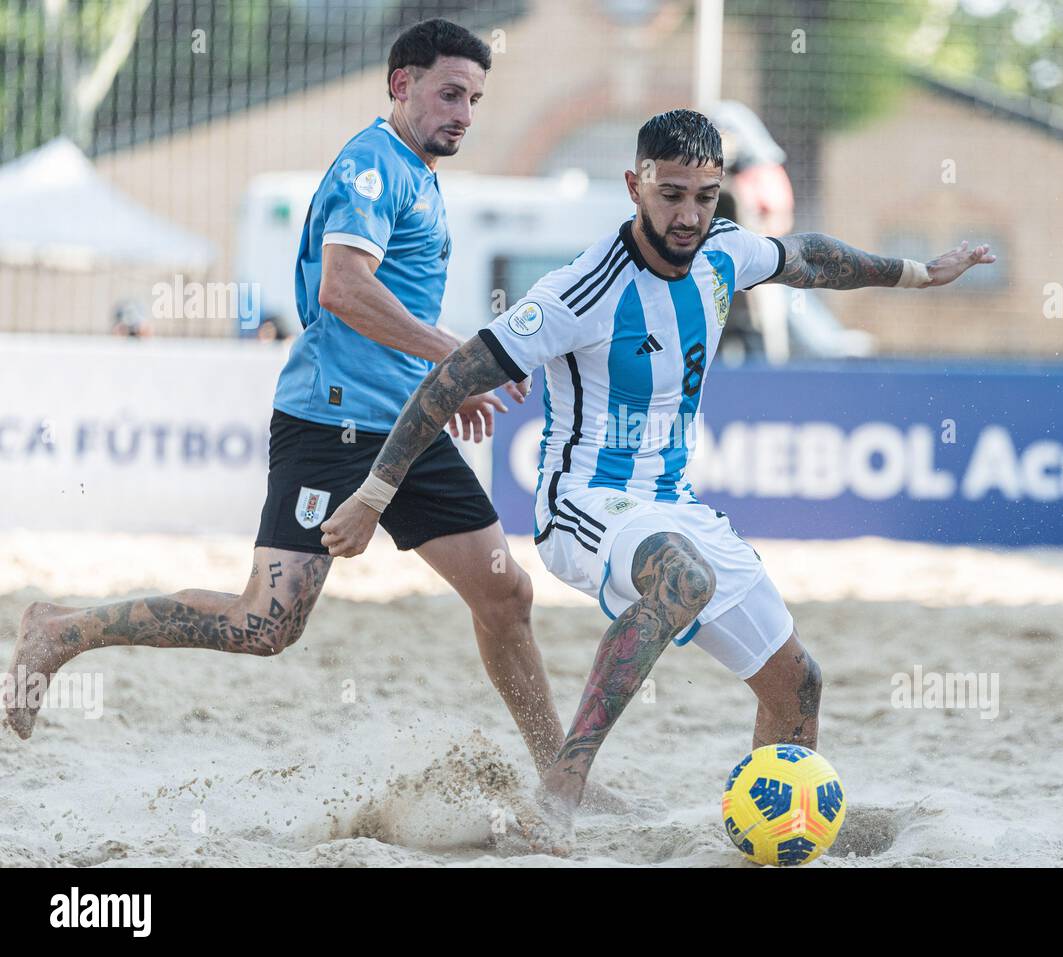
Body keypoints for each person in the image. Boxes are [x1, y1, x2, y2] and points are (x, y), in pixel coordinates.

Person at [318, 109, 996, 849]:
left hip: (675, 505)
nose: (689, 215)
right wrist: (373, 495)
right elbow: (449, 380)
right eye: (671, 194)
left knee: (798, 683)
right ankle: (561, 788)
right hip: (582, 501)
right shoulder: (580, 290)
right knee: (683, 576)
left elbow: (810, 257)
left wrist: (920, 273)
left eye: (704, 196)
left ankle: (777, 836)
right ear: (635, 185)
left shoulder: (725, 253)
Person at [5, 19, 620, 809]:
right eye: (448, 93)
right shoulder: (374, 164)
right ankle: (62, 629)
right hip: (330, 424)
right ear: (401, 84)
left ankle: (559, 778)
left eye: (474, 97)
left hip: (406, 425)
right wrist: (455, 360)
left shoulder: (421, 172)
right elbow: (343, 290)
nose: (464, 112)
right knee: (264, 625)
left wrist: (442, 382)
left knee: (506, 595)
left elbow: (380, 300)